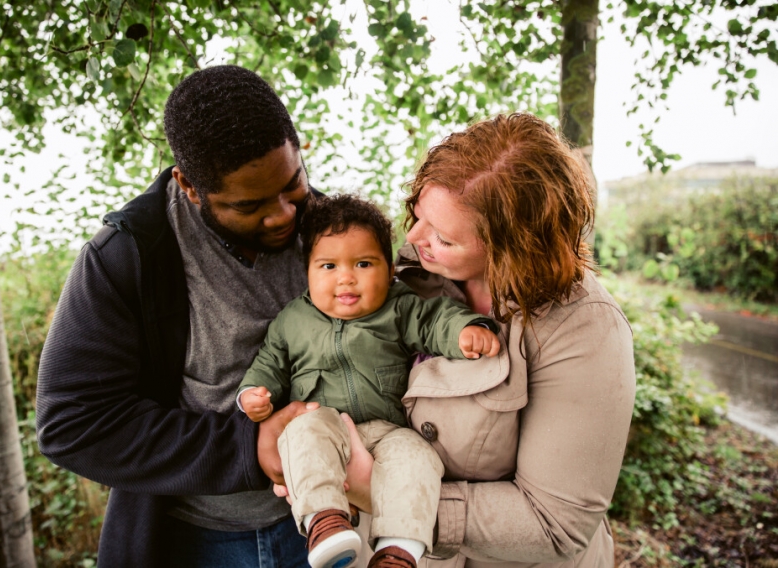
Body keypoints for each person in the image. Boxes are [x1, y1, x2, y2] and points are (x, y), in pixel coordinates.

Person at [271, 113, 637, 567]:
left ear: (512, 248)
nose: (415, 238)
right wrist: (307, 453)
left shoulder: (583, 330)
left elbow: (554, 524)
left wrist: (376, 489)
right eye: (419, 215)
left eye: (443, 237)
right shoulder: (409, 274)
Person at [36, 65, 326, 567]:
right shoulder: (128, 257)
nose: (282, 214)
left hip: (327, 524)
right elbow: (72, 423)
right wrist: (247, 447)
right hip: (197, 541)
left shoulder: (330, 228)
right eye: (250, 205)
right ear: (189, 186)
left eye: (292, 183)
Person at [237, 195, 501, 568]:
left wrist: (463, 330)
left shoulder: (398, 307)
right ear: (307, 271)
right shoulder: (292, 320)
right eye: (328, 265)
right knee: (301, 434)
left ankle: (399, 548)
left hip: (389, 430)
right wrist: (252, 394)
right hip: (324, 424)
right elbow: (269, 363)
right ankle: (323, 521)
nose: (346, 277)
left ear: (389, 268)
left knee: (418, 457)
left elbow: (432, 320)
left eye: (363, 263)